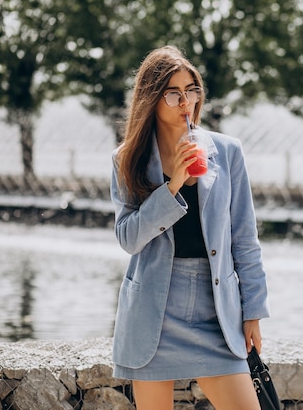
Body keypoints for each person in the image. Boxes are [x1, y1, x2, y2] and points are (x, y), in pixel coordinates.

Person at [110, 45, 270, 410]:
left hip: (216, 308)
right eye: (173, 93)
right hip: (153, 311)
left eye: (192, 89)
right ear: (152, 98)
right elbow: (128, 238)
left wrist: (253, 311)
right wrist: (173, 185)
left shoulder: (227, 152)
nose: (186, 101)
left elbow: (245, 239)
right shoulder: (128, 159)